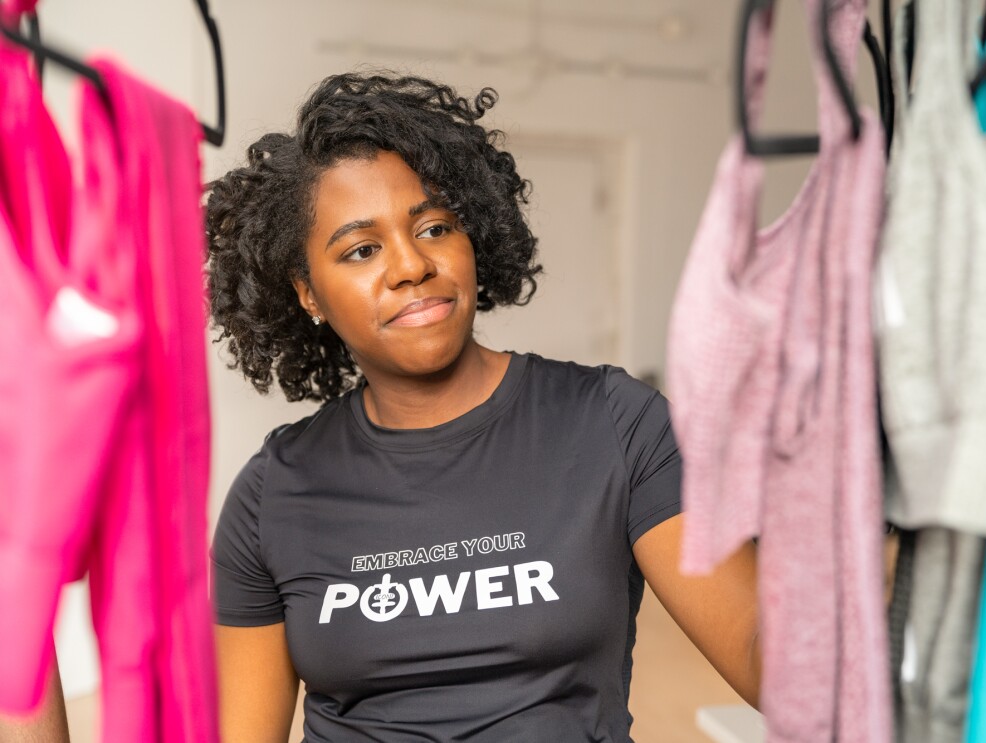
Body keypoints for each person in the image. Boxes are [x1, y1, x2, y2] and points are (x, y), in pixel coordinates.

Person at [220, 71, 764, 742]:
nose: (411, 265)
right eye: (362, 250)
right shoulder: (273, 492)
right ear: (308, 293)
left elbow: (774, 660)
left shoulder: (614, 424)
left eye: (435, 226)